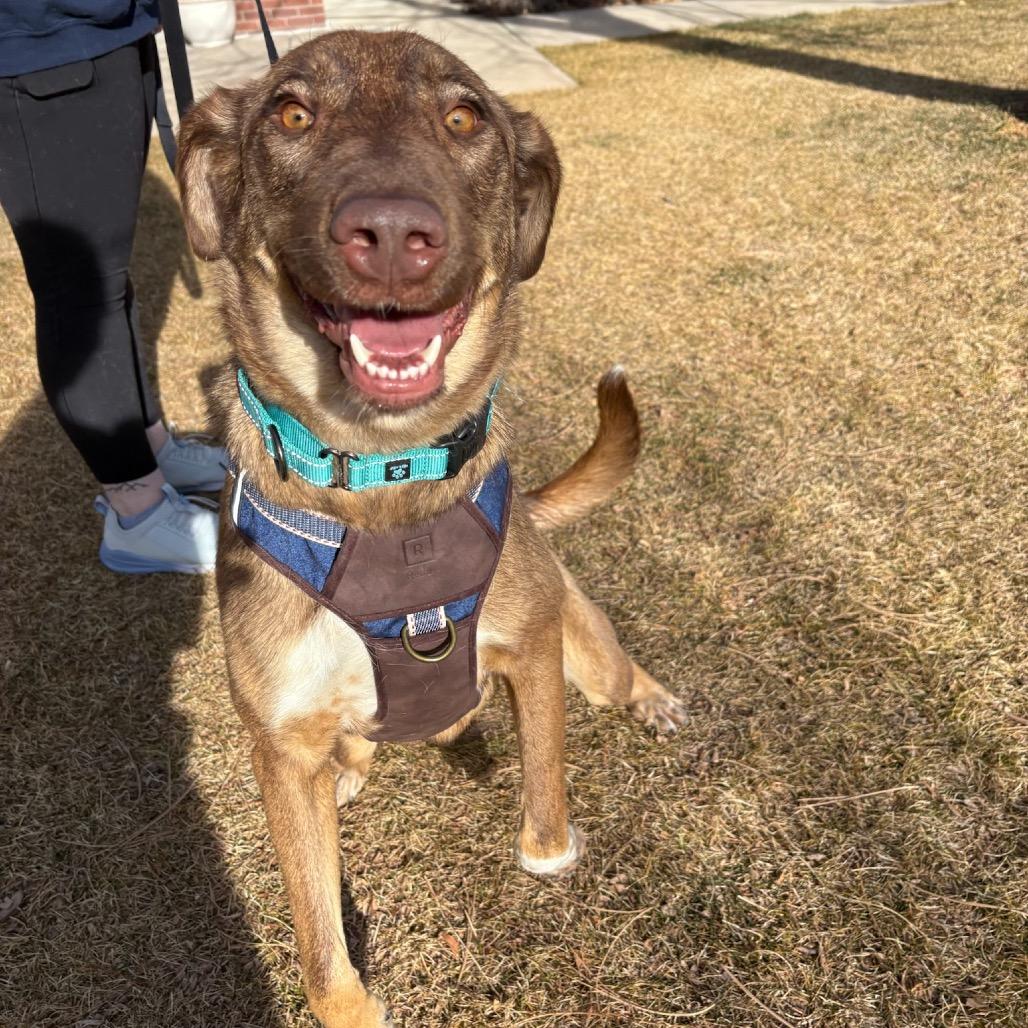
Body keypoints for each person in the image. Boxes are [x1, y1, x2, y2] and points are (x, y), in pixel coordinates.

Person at [0, 1, 222, 574]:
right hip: (40, 46)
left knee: (108, 281)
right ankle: (137, 515)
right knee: (79, 294)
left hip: (112, 31)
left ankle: (152, 453)